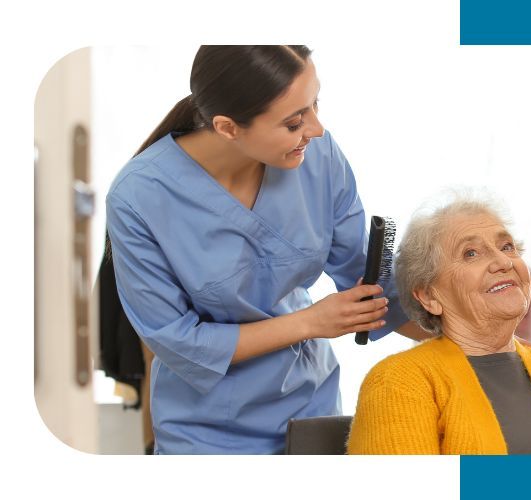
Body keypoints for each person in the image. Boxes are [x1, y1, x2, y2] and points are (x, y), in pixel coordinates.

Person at [105, 45, 429, 454]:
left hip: (312, 411)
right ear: (227, 127)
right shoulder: (139, 198)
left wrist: (489, 340)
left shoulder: (317, 156)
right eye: (294, 121)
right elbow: (178, 341)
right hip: (206, 434)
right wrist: (311, 322)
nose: (316, 129)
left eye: (314, 105)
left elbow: (375, 288)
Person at [347, 191, 531, 454]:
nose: (504, 262)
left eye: (506, 247)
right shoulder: (399, 382)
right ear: (429, 296)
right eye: (471, 253)